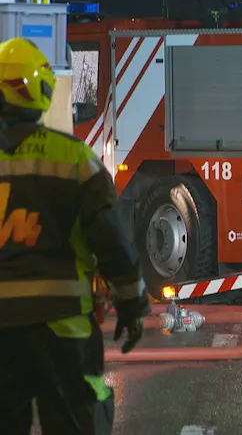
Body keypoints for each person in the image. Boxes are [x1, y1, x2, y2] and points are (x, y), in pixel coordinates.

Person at [0, 37, 150, 434]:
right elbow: (112, 240)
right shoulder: (73, 160)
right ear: (40, 92)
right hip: (61, 331)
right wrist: (132, 304)